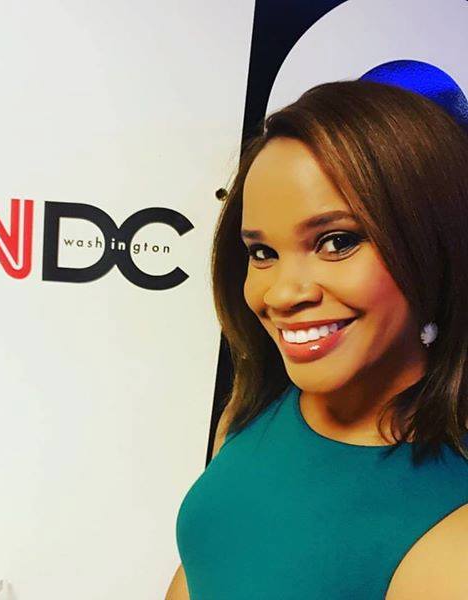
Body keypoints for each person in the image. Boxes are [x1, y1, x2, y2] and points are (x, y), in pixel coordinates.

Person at [165, 79, 468, 600]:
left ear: (432, 247)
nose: (281, 294)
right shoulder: (257, 407)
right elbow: (204, 563)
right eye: (262, 252)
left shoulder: (453, 543)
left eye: (337, 241)